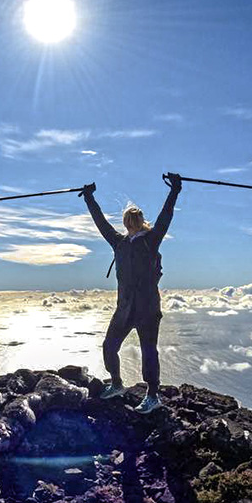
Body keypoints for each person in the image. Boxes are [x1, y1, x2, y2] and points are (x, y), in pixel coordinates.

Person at [79, 173, 182, 414]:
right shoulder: (120, 243)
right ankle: (116, 384)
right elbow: (101, 223)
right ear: (126, 223)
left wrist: (175, 190)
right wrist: (89, 199)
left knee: (148, 351)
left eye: (135, 219)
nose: (132, 223)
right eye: (130, 219)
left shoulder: (151, 240)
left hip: (146, 308)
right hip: (125, 308)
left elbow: (166, 216)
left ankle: (153, 396)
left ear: (140, 221)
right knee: (109, 346)